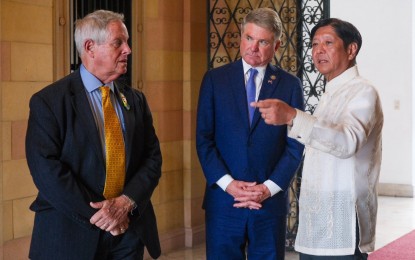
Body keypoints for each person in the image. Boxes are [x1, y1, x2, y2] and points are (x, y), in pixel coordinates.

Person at [25, 10, 162, 260]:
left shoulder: (136, 100)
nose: (128, 49)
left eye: (127, 41)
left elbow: (152, 159)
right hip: (69, 233)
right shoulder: (49, 102)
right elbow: (47, 171)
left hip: (128, 232)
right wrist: (102, 215)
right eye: (118, 42)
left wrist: (125, 203)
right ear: (90, 47)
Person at [252, 18, 383, 259]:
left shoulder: (363, 91)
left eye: (328, 43)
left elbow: (346, 143)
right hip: (315, 222)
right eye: (314, 44)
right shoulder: (330, 94)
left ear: (351, 49)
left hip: (343, 221)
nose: (318, 50)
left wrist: (293, 116)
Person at [196, 7, 304, 259]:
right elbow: (204, 139)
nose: (253, 47)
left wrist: (268, 188)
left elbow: (295, 145)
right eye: (249, 38)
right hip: (224, 202)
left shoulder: (289, 85)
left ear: (276, 46)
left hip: (268, 204)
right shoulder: (215, 80)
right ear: (242, 37)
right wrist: (228, 184)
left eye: (263, 41)